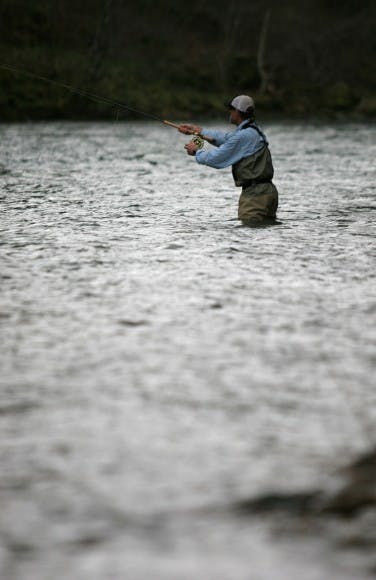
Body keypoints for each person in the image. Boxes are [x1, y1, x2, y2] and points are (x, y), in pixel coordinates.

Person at [178, 95, 279, 226]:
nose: (229, 112)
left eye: (231, 109)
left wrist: (196, 152)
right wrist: (197, 131)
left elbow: (216, 158)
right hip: (268, 193)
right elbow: (226, 139)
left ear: (237, 112)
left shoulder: (243, 136)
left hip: (255, 196)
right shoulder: (253, 130)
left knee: (249, 236)